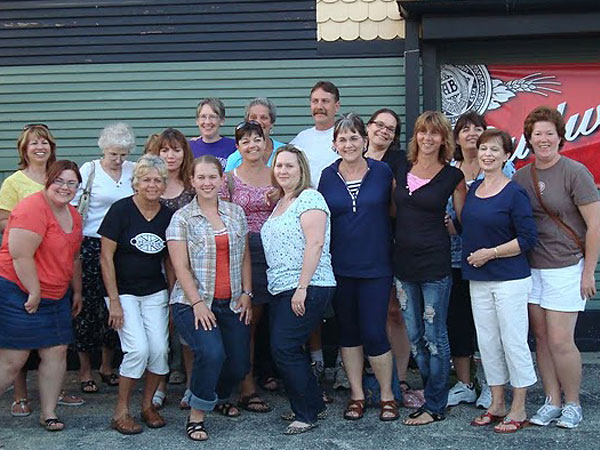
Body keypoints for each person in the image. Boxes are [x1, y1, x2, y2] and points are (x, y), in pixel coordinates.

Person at [513, 106, 600, 429]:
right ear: (530, 139)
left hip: (566, 268)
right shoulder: (522, 176)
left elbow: (595, 225)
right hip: (532, 268)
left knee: (562, 340)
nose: (544, 139)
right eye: (538, 134)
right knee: (542, 337)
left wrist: (588, 271)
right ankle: (552, 400)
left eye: (550, 133)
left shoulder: (575, 172)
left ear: (560, 137)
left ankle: (573, 402)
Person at [0, 125, 84, 416]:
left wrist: (76, 291)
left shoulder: (73, 214)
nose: (65, 187)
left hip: (55, 294)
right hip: (21, 290)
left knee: (57, 350)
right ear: (49, 181)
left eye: (72, 183)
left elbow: (73, 257)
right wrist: (34, 291)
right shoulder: (32, 207)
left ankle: (49, 414)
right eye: (59, 181)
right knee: (13, 359)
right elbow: (20, 254)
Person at [167, 155, 252, 442]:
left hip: (232, 302)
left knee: (239, 364)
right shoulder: (181, 218)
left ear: (221, 180)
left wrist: (247, 293)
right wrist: (198, 304)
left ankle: (210, 394)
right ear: (192, 181)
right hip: (192, 301)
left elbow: (244, 256)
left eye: (212, 177)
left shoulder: (235, 213)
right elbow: (180, 267)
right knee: (211, 353)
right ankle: (197, 415)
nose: (207, 182)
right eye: (200, 177)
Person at [319, 114, 398, 421]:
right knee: (348, 332)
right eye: (343, 139)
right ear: (334, 144)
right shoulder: (327, 176)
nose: (349, 144)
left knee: (374, 331)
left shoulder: (382, 171)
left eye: (354, 138)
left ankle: (387, 395)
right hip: (340, 266)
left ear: (365, 141)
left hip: (376, 265)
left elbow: (396, 209)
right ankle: (356, 395)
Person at [461, 129, 538, 433]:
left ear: (507, 155)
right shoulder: (475, 188)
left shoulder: (515, 192)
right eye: (483, 149)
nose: (488, 154)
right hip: (478, 279)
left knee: (513, 341)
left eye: (495, 150)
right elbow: (467, 226)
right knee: (488, 343)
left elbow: (528, 239)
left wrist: (490, 253)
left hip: (510, 280)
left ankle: (519, 407)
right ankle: (497, 403)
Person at [393, 111, 466, 425]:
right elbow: (392, 212)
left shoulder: (452, 177)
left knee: (435, 336)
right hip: (402, 264)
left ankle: (436, 405)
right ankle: (429, 393)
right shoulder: (401, 167)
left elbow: (463, 223)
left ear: (443, 139)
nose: (428, 138)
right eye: (423, 132)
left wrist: (452, 225)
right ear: (416, 136)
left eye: (434, 133)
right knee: (414, 337)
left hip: (435, 264)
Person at [261, 145, 336, 435]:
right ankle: (312, 404)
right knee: (285, 348)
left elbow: (315, 243)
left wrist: (302, 287)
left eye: (289, 166)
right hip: (281, 286)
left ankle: (305, 413)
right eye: (279, 166)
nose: (283, 171)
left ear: (301, 169)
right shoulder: (282, 202)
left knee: (285, 348)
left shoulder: (310, 198)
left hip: (308, 284)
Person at [445, 111, 516, 409]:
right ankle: (464, 384)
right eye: (465, 129)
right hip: (453, 258)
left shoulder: (503, 167)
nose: (471, 133)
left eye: (478, 129)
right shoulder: (449, 169)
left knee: (490, 327)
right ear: (457, 136)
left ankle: (492, 383)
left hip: (491, 259)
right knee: (458, 323)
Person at [99, 155, 173, 434]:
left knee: (159, 351)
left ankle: (146, 407)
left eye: (157, 180)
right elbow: (106, 258)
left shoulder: (167, 216)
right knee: (137, 350)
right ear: (136, 183)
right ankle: (121, 411)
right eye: (146, 179)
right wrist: (114, 301)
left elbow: (169, 260)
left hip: (154, 292)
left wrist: (172, 294)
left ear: (164, 184)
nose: (152, 185)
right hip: (123, 294)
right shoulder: (120, 211)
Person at [72, 122, 137, 394]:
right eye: (113, 154)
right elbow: (75, 208)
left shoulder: (133, 170)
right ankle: (85, 369)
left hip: (121, 247)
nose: (118, 160)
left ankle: (107, 365)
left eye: (123, 154)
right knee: (87, 308)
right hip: (90, 244)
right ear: (103, 150)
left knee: (115, 303)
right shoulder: (89, 170)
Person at [364, 108, 420, 406]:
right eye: (379, 125)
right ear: (368, 127)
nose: (384, 131)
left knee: (395, 310)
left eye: (391, 128)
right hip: (357, 244)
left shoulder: (400, 162)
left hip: (392, 240)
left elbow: (400, 201)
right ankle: (364, 374)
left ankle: (398, 376)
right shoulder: (350, 154)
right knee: (364, 311)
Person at [221, 121, 277, 412]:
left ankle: (286, 380)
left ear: (266, 143)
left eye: (257, 139)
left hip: (277, 251)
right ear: (238, 147)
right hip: (243, 253)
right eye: (245, 141)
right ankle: (246, 386)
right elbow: (218, 215)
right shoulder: (228, 179)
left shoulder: (278, 175)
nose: (252, 145)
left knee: (277, 319)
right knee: (249, 319)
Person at [290, 80, 341, 393]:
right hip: (308, 229)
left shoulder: (343, 136)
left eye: (325, 101)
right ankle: (317, 360)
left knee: (336, 300)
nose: (319, 106)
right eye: (314, 101)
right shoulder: (302, 139)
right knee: (311, 300)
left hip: (341, 227)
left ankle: (338, 365)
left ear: (336, 105)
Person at [145, 128, 195, 408]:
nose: (170, 155)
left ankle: (191, 385)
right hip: (152, 268)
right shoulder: (151, 184)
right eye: (164, 150)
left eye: (176, 149)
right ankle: (159, 384)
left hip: (188, 266)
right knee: (160, 329)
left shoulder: (191, 185)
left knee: (187, 329)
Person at [225, 97, 286, 171]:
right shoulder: (235, 159)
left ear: (272, 123)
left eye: (263, 118)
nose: (258, 122)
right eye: (253, 118)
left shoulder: (285, 152)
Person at [189, 98, 236, 168]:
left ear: (222, 120)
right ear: (197, 120)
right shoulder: (188, 147)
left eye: (212, 117)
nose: (207, 122)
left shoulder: (234, 147)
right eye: (203, 117)